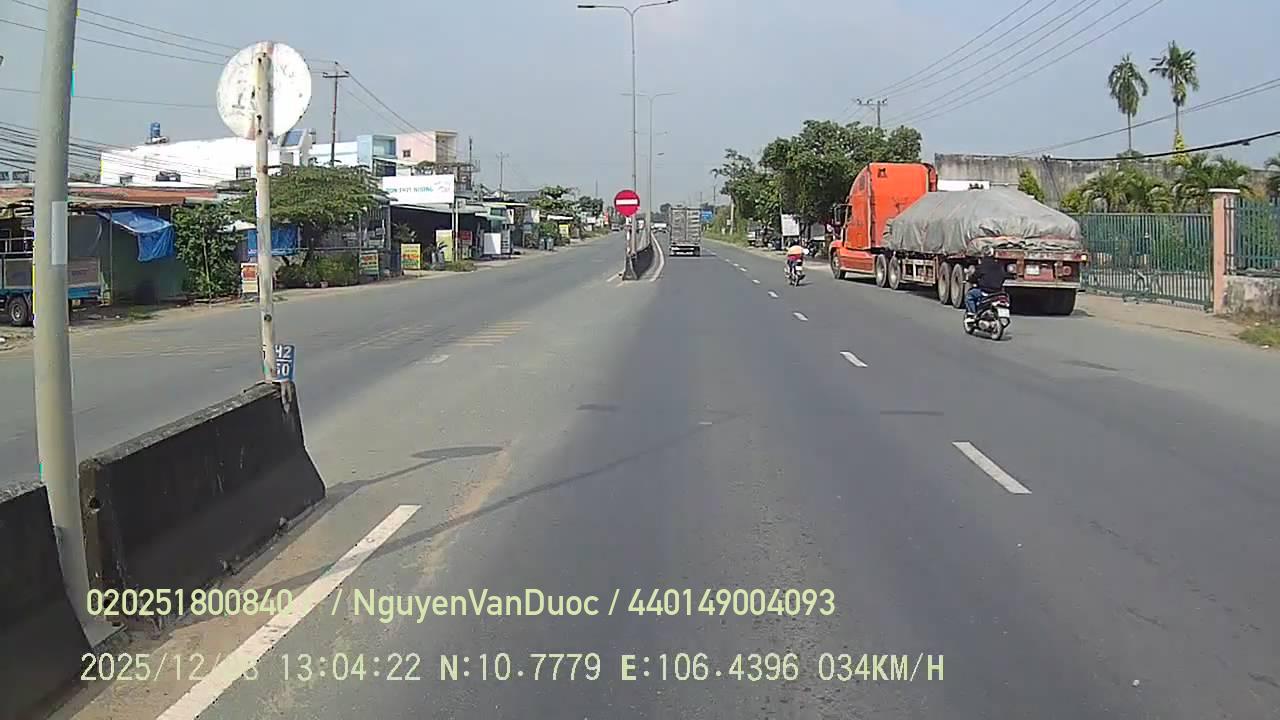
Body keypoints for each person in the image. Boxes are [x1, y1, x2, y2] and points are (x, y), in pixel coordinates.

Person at [965, 247, 1010, 321]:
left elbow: (974, 277)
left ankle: (972, 314)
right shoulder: (999, 265)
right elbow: (1004, 276)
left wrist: (970, 280)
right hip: (998, 291)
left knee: (969, 295)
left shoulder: (982, 266)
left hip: (986, 291)